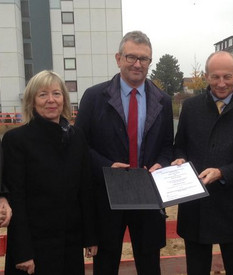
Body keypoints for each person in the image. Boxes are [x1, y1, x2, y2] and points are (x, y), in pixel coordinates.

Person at [75, 30, 174, 275]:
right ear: (118, 58)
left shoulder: (163, 100)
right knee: (106, 263)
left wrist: (161, 164)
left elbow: (166, 146)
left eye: (144, 59)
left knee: (149, 263)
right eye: (131, 57)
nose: (137, 64)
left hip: (148, 194)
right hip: (107, 194)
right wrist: (106, 167)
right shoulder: (94, 97)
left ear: (150, 62)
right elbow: (79, 146)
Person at [172, 51, 233, 275]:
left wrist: (222, 173)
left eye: (227, 76)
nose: (221, 83)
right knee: (196, 269)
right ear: (206, 76)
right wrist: (179, 159)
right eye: (215, 77)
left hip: (231, 204)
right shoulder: (190, 108)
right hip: (195, 205)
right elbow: (179, 145)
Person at [2, 70, 97, 275]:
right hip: (34, 249)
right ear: (32, 101)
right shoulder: (16, 141)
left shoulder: (76, 137)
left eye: (56, 93)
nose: (51, 100)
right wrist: (22, 252)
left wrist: (90, 237)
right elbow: (16, 198)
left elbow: (85, 189)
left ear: (64, 98)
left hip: (69, 244)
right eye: (43, 94)